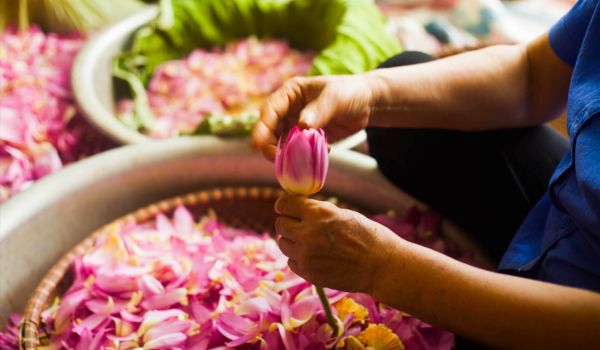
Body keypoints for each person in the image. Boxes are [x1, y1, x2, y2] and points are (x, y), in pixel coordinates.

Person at [251, 0, 600, 348]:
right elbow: (531, 75)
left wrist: (388, 271)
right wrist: (369, 94)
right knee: (406, 95)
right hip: (568, 220)